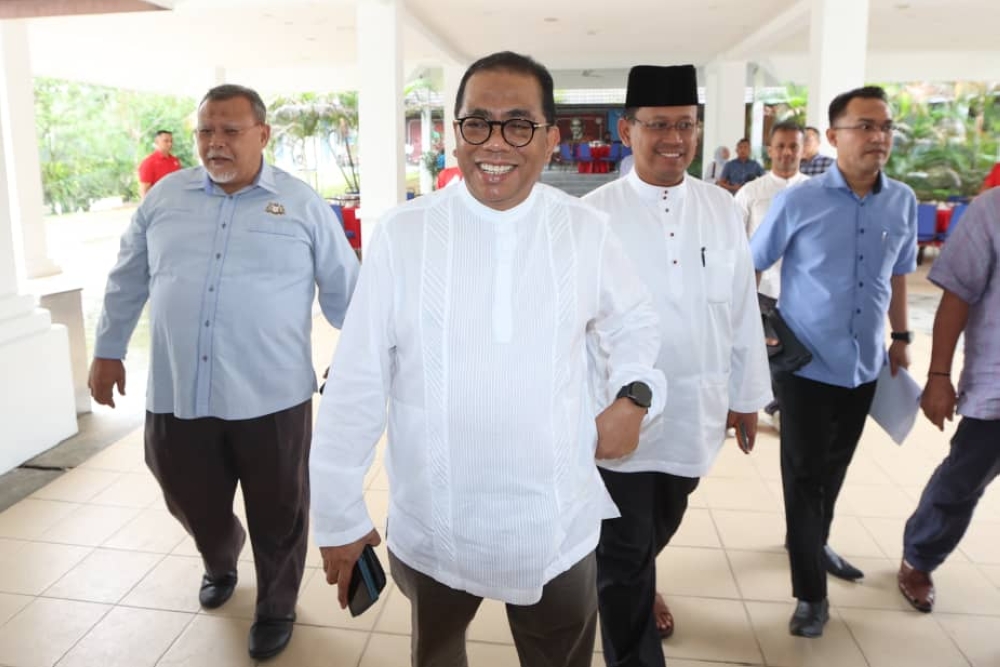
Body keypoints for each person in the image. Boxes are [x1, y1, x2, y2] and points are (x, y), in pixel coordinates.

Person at [309, 51, 666, 667]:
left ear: (551, 139)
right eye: (478, 123)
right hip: (437, 519)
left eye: (519, 124)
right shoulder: (402, 235)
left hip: (556, 520)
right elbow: (359, 380)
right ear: (455, 134)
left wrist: (634, 396)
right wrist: (339, 513)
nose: (495, 143)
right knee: (438, 653)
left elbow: (635, 321)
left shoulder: (583, 230)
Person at [88, 84, 360, 660]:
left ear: (262, 135)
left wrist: (363, 368)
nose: (216, 143)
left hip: (272, 396)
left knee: (281, 509)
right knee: (184, 491)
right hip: (178, 390)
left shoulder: (303, 204)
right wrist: (107, 349)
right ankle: (220, 552)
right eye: (206, 131)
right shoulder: (165, 197)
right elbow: (127, 276)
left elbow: (348, 292)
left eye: (231, 131)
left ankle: (277, 603)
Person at [583, 64, 771, 667]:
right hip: (621, 413)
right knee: (626, 547)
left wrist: (746, 395)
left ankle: (628, 577)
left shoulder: (721, 208)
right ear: (626, 129)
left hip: (696, 407)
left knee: (659, 521)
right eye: (659, 125)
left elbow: (741, 307)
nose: (674, 138)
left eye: (686, 125)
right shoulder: (592, 214)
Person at [751, 85, 917, 638]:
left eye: (885, 127)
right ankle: (809, 594)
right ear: (837, 135)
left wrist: (901, 335)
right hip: (805, 367)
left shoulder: (903, 201)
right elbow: (750, 264)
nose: (879, 137)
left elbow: (898, 274)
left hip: (863, 366)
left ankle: (816, 544)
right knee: (802, 477)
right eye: (866, 126)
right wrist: (758, 333)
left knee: (835, 469)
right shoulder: (799, 201)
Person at [898, 187, 1000, 614]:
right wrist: (938, 375)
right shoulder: (991, 209)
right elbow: (956, 295)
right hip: (997, 388)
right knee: (961, 483)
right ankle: (919, 558)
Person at [736, 121, 809, 431]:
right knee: (765, 350)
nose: (787, 153)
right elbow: (736, 242)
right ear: (769, 150)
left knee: (794, 352)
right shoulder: (752, 193)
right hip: (762, 288)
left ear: (803, 151)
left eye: (794, 146)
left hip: (803, 291)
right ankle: (757, 404)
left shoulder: (815, 191)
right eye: (780, 146)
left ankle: (781, 408)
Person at [137, 130, 182, 197]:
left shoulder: (175, 161)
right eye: (166, 141)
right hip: (158, 205)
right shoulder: (148, 163)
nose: (170, 144)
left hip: (175, 202)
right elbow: (144, 192)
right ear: (156, 142)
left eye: (171, 141)